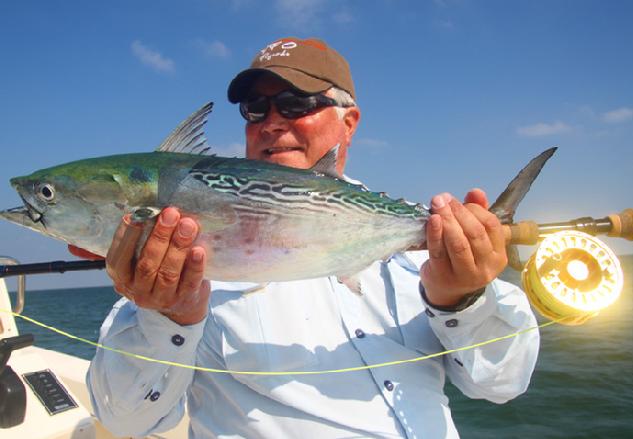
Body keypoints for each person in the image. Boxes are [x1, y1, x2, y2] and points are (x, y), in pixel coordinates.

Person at [80, 37, 539, 438]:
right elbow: (124, 421)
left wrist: (461, 300)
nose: (272, 122)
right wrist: (168, 319)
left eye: (297, 103)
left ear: (350, 122)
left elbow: (502, 384)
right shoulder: (185, 254)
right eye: (256, 109)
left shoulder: (419, 257)